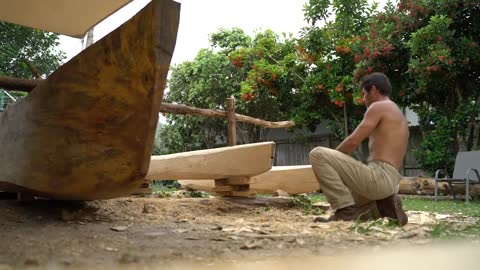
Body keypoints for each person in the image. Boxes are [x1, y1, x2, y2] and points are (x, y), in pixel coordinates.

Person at [309, 72, 409, 226]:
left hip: (379, 177)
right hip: (390, 182)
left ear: (373, 89)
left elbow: (353, 141)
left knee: (318, 154)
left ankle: (345, 210)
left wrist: (329, 162)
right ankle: (382, 207)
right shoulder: (396, 112)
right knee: (354, 204)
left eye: (364, 94)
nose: (363, 100)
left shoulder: (379, 106)